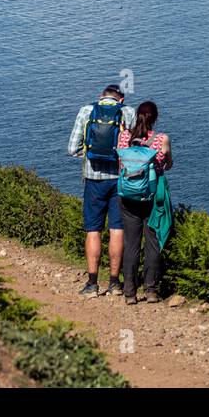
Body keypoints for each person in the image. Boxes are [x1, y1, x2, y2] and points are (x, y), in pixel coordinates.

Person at [68, 84, 136, 298]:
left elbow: (72, 149)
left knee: (93, 230)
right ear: (121, 100)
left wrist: (90, 155)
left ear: (101, 97)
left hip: (93, 179)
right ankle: (115, 283)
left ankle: (92, 284)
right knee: (117, 229)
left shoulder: (86, 111)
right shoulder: (128, 112)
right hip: (119, 180)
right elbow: (131, 147)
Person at [117, 101, 172, 305]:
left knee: (131, 244)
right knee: (153, 242)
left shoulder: (124, 137)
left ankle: (130, 292)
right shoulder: (161, 139)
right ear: (155, 118)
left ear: (137, 116)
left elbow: (120, 165)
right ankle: (151, 290)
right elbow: (169, 164)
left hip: (128, 196)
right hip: (152, 196)